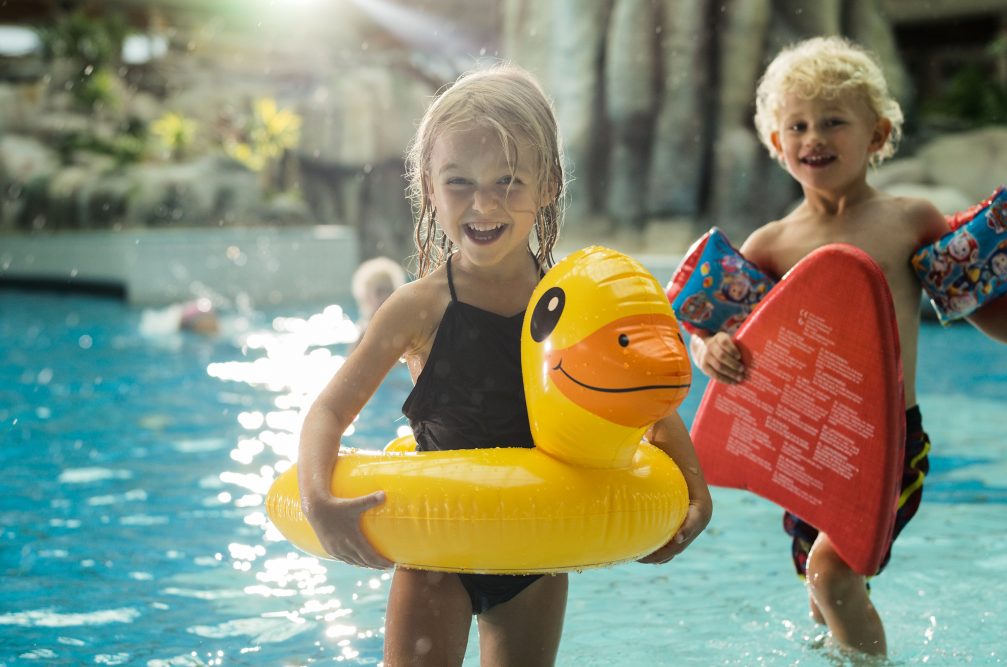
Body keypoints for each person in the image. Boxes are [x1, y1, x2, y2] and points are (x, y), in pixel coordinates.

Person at [296, 63, 712, 667]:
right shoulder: (419, 307)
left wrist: (695, 496)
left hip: (535, 548)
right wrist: (317, 500)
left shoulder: (578, 303)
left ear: (547, 186)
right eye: (458, 181)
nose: (483, 203)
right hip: (438, 549)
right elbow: (329, 410)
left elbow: (640, 408)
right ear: (429, 189)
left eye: (509, 181)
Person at [690, 36, 1003, 657]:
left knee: (831, 575)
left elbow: (974, 304)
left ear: (878, 133)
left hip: (888, 442)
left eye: (834, 121)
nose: (815, 137)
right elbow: (714, 333)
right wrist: (712, 353)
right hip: (805, 445)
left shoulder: (911, 220)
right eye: (798, 125)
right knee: (820, 587)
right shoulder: (771, 244)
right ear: (777, 144)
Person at [350, 256, 406, 345]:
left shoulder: (402, 325)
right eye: (379, 291)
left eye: (390, 290)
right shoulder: (364, 333)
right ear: (366, 297)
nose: (386, 296)